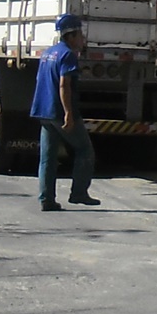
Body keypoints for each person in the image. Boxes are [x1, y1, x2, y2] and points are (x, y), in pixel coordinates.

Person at [31, 13, 99, 211]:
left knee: (48, 157)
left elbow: (40, 81)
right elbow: (64, 85)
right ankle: (79, 193)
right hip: (59, 111)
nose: (82, 39)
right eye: (80, 35)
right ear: (70, 36)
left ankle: (46, 199)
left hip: (43, 111)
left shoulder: (47, 53)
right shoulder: (68, 55)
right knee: (85, 150)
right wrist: (69, 113)